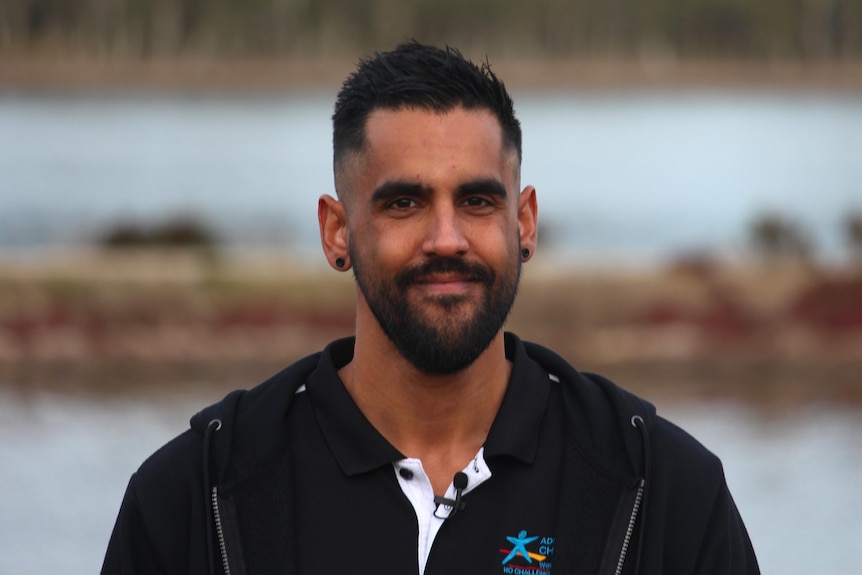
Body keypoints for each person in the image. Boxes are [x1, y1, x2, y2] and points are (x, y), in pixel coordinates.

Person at [102, 41, 759, 575]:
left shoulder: (661, 490)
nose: (446, 239)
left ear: (524, 222)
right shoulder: (200, 493)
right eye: (403, 203)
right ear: (337, 231)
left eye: (477, 201)